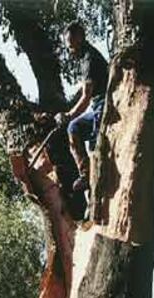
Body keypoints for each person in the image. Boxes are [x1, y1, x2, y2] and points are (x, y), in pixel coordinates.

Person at [55, 21, 108, 192]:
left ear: (80, 37)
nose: (70, 49)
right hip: (97, 106)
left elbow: (86, 98)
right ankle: (86, 174)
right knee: (74, 128)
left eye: (71, 43)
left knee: (95, 147)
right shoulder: (86, 57)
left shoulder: (89, 59)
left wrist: (69, 114)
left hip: (104, 107)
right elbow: (82, 92)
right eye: (67, 45)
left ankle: (93, 178)